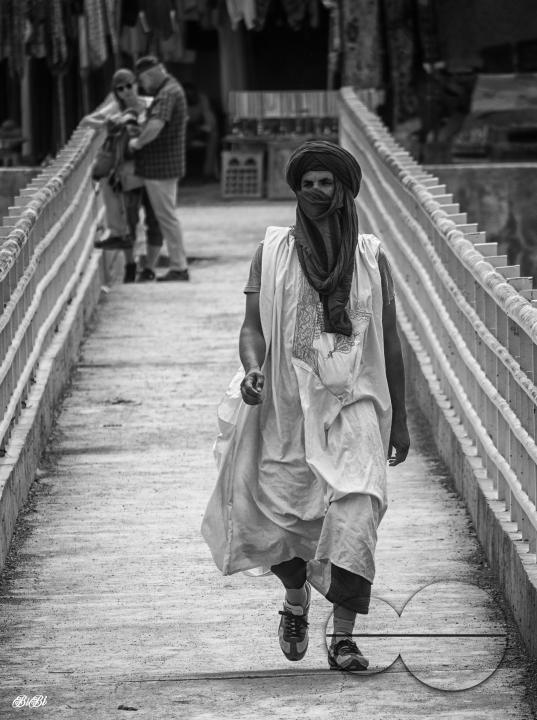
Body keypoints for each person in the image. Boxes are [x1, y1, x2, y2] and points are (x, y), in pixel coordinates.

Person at [201, 140, 410, 671]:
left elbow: (390, 342)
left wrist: (400, 420)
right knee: (285, 514)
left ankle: (343, 636)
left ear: (344, 189)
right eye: (308, 182)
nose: (318, 191)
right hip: (286, 402)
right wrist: (253, 368)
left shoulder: (370, 255)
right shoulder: (272, 251)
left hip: (355, 403)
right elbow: (252, 328)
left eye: (327, 182)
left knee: (357, 508)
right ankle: (295, 601)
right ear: (296, 189)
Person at [81, 68, 162, 283]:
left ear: (136, 83)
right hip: (127, 173)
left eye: (129, 85)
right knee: (130, 222)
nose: (126, 91)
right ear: (116, 92)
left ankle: (149, 269)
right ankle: (130, 265)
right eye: (120, 88)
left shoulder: (151, 103)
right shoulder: (117, 108)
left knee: (154, 221)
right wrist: (113, 122)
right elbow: (87, 120)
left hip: (155, 170)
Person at [128, 56, 190, 282]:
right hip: (164, 166)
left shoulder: (167, 93)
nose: (143, 86)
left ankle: (179, 267)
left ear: (149, 75)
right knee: (167, 217)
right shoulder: (171, 88)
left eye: (142, 81)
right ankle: (178, 265)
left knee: (167, 218)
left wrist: (137, 142)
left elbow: (155, 126)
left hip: (161, 168)